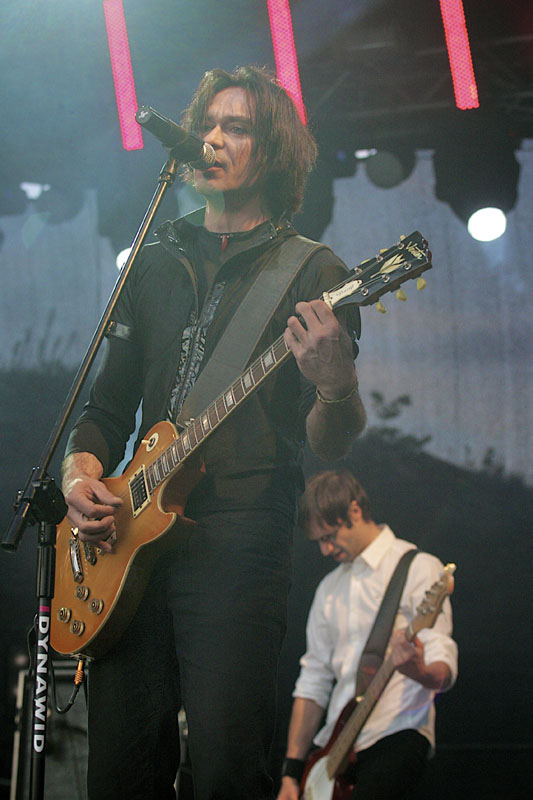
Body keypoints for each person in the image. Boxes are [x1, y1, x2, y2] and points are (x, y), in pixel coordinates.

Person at [60, 66, 366, 800]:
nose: (214, 138)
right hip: (127, 540)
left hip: (237, 537)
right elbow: (105, 409)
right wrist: (79, 481)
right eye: (208, 123)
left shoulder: (312, 271)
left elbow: (331, 439)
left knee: (230, 769)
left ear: (276, 153)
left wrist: (336, 382)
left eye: (238, 127)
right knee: (120, 773)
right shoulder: (156, 260)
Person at [277, 469, 458, 800]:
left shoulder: (418, 567)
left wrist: (418, 668)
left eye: (329, 536)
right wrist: (292, 771)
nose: (325, 550)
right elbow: (313, 682)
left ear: (355, 511)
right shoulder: (328, 590)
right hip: (335, 747)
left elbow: (441, 664)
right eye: (318, 542)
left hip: (396, 732)